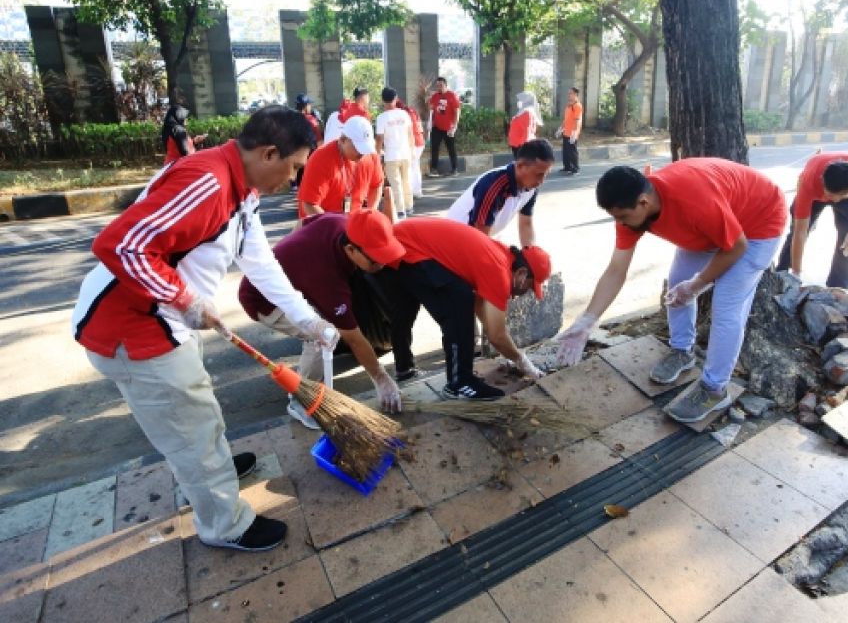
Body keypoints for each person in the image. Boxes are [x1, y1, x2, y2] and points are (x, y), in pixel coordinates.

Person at [72, 106, 339, 552]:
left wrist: (309, 319)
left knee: (199, 411)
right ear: (269, 153)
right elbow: (121, 245)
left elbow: (261, 264)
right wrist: (185, 300)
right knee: (190, 429)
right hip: (133, 328)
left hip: (166, 322)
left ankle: (215, 468)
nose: (294, 181)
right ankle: (224, 523)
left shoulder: (243, 189)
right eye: (294, 168)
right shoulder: (208, 183)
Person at [556, 161, 786, 424]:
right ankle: (682, 351)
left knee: (726, 307)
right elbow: (616, 270)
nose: (620, 224)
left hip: (757, 224)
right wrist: (588, 321)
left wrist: (697, 285)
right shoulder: (633, 213)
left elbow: (735, 247)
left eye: (622, 217)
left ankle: (714, 389)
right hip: (715, 225)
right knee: (678, 282)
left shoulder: (694, 202)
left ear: (643, 202)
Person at [239, 210, 404, 426]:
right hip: (263, 299)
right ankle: (301, 401)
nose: (381, 266)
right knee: (323, 336)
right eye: (375, 261)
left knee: (329, 326)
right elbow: (353, 337)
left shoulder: (342, 222)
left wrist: (294, 261)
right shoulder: (327, 277)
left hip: (296, 283)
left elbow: (302, 223)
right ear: (351, 249)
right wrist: (381, 378)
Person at [378, 217, 551, 397]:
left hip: (398, 245)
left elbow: (483, 311)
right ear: (522, 274)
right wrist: (523, 362)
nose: (526, 292)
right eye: (530, 287)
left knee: (406, 309)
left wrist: (496, 346)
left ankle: (404, 369)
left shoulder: (500, 255)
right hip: (408, 249)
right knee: (459, 302)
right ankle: (460, 383)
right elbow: (497, 336)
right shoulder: (499, 271)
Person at [775, 153, 848, 290]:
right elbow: (800, 232)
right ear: (823, 180)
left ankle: (839, 288)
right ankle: (784, 277)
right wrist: (796, 273)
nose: (834, 200)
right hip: (815, 192)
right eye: (830, 195)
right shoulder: (809, 184)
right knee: (795, 234)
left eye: (839, 196)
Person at [446, 139, 554, 247]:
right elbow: (480, 235)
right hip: (457, 239)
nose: (542, 181)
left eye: (546, 174)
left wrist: (530, 256)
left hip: (482, 236)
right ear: (520, 166)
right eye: (539, 174)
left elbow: (526, 224)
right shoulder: (493, 185)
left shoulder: (531, 186)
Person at [298, 116, 384, 219]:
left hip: (352, 223)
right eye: (358, 147)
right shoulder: (321, 159)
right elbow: (309, 204)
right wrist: (336, 228)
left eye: (365, 147)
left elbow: (377, 184)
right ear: (343, 139)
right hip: (320, 224)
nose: (362, 154)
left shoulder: (370, 155)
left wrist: (370, 213)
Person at [376, 87, 415, 220]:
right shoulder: (404, 114)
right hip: (406, 153)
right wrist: (412, 150)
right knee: (406, 181)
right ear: (396, 98)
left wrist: (377, 154)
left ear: (383, 101)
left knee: (396, 184)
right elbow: (410, 134)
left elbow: (380, 139)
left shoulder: (381, 118)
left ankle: (400, 210)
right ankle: (409, 207)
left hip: (391, 156)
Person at [428, 76, 462, 177]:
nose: (439, 87)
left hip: (449, 128)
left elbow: (457, 112)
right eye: (437, 85)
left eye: (441, 85)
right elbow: (431, 111)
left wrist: (454, 126)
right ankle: (434, 169)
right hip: (437, 127)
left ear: (446, 85)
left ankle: (455, 169)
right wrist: (429, 123)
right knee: (434, 148)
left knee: (451, 148)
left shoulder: (452, 95)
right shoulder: (434, 97)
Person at [291, 93, 322, 192]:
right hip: (309, 155)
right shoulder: (311, 120)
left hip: (294, 156)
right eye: (309, 104)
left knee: (299, 185)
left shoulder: (290, 118)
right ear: (305, 106)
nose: (310, 107)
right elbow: (319, 139)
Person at [396, 97, 425, 199]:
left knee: (410, 168)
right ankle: (417, 191)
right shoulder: (411, 110)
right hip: (420, 141)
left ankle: (411, 192)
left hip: (413, 143)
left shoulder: (402, 114)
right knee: (415, 167)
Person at [557, 87, 583, 174]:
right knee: (565, 150)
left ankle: (575, 168)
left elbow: (577, 120)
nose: (569, 95)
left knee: (572, 151)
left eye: (570, 93)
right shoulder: (569, 105)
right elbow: (566, 118)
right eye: (568, 93)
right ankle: (567, 167)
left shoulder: (577, 106)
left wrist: (574, 133)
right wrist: (561, 128)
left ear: (575, 94)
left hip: (572, 132)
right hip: (566, 132)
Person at [508, 91, 541, 157]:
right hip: (516, 144)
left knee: (523, 165)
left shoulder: (527, 113)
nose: (519, 101)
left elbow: (527, 131)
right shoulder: (523, 112)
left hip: (520, 145)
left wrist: (523, 146)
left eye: (521, 100)